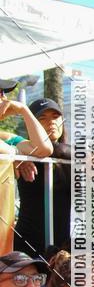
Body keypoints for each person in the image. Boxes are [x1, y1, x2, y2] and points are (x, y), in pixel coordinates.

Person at [13, 98, 94, 259]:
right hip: (27, 244)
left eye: (55, 117)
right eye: (42, 118)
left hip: (61, 246)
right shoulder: (27, 150)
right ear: (31, 124)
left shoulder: (70, 159)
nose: (51, 122)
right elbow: (56, 150)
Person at [0, 86, 53, 256]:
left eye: (3, 93)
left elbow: (44, 149)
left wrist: (23, 110)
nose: (3, 98)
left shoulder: (5, 137)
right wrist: (14, 154)